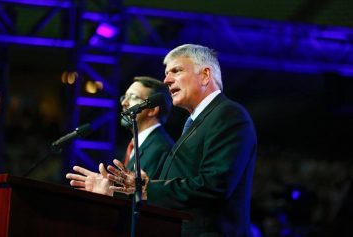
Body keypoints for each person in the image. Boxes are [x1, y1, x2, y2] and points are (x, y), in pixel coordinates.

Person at [107, 44, 258, 236]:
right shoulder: (197, 122)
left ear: (204, 75)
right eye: (166, 73)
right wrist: (144, 184)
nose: (167, 80)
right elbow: (183, 180)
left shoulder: (229, 115)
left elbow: (214, 185)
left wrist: (148, 189)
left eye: (176, 71)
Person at [66, 76, 174, 195]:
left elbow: (150, 198)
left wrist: (111, 192)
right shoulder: (136, 145)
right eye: (124, 97)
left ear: (152, 110)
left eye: (133, 97)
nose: (124, 103)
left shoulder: (161, 148)